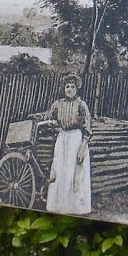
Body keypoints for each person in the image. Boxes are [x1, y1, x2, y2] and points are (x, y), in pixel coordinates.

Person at [44, 75, 93, 214]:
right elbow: (48, 116)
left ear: (77, 89)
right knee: (60, 170)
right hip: (62, 138)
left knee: (74, 171)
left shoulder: (81, 105)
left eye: (72, 87)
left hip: (76, 139)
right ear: (63, 88)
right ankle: (58, 206)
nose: (69, 89)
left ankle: (75, 208)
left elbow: (87, 127)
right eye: (67, 87)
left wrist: (82, 147)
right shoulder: (58, 104)